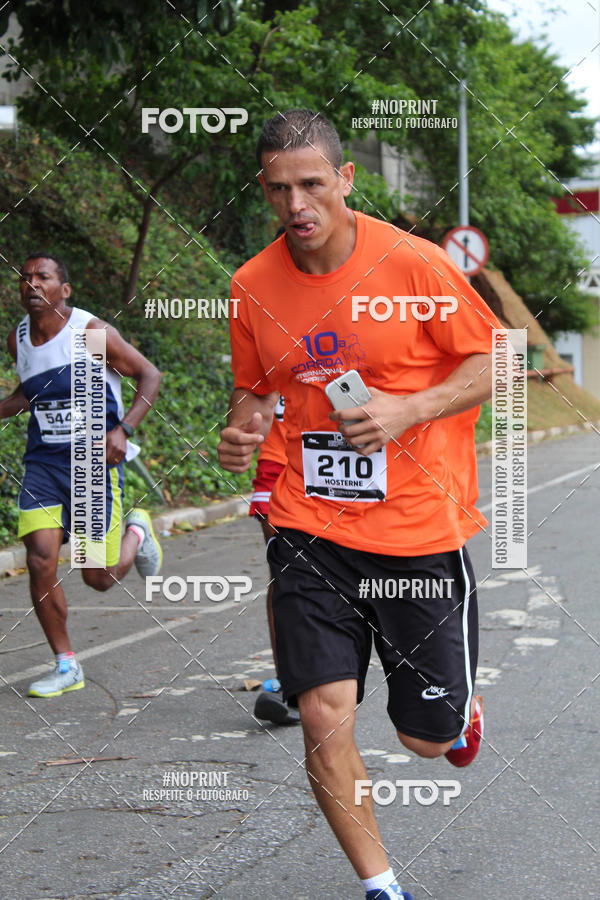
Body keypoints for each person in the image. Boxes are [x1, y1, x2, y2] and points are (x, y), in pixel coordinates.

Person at [218, 110, 497, 900]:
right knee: (320, 715)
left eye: (311, 183)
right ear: (265, 192)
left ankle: (459, 712)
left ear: (345, 179)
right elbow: (255, 390)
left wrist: (410, 409)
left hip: (415, 533)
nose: (296, 203)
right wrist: (239, 434)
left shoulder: (412, 266)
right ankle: (382, 887)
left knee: (424, 740)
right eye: (279, 189)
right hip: (311, 528)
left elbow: (495, 363)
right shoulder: (250, 285)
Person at [0, 253, 163, 698]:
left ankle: (137, 529)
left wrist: (123, 429)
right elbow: (29, 393)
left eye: (43, 277)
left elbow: (149, 375)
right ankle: (66, 664)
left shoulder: (88, 333)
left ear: (64, 290)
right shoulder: (19, 341)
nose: (31, 284)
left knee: (99, 576)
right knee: (39, 560)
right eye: (25, 278)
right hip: (44, 464)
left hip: (92, 464)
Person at [248, 395, 299, 725]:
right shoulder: (268, 341)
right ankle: (289, 685)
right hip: (279, 459)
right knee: (285, 570)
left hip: (344, 458)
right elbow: (250, 394)